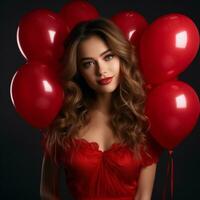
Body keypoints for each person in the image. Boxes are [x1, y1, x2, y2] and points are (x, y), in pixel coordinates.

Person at [40, 17, 163, 200]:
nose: (101, 71)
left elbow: (143, 196)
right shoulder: (63, 119)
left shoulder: (143, 119)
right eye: (88, 63)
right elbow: (47, 191)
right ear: (79, 71)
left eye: (108, 57)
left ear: (121, 57)